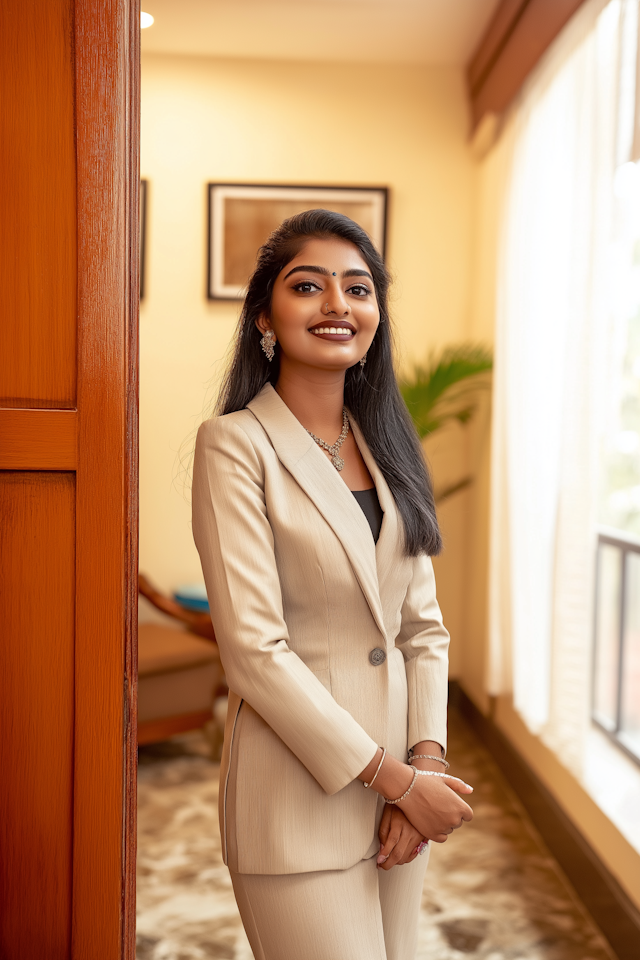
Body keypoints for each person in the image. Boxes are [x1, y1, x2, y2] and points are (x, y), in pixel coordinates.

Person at [192, 209, 473, 960]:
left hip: (399, 809)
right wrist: (397, 782)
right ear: (265, 316)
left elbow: (422, 631)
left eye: (358, 288)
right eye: (308, 286)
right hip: (297, 808)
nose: (337, 305)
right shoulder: (234, 446)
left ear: (376, 315)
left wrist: (427, 767)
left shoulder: (388, 447)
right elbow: (256, 653)